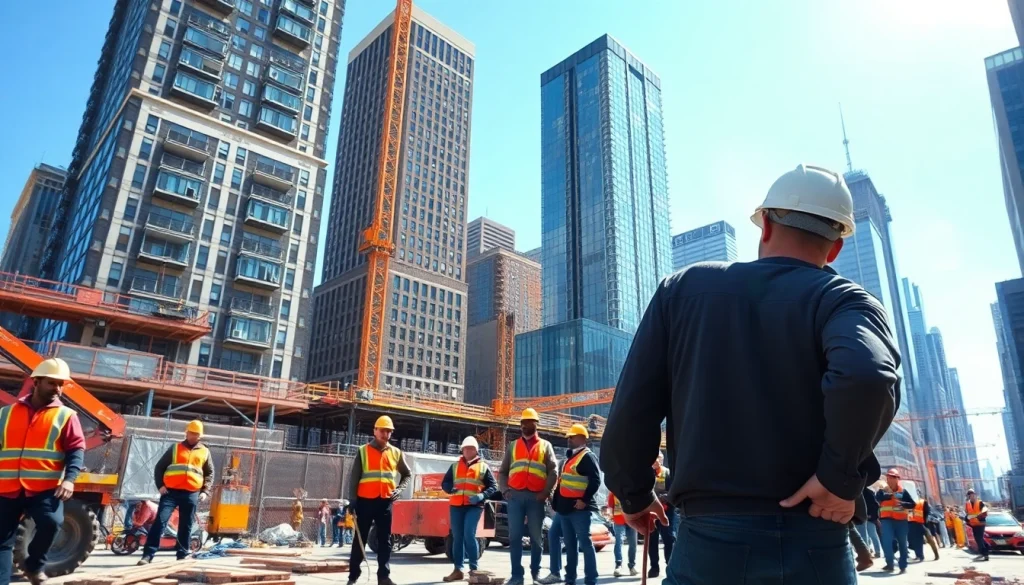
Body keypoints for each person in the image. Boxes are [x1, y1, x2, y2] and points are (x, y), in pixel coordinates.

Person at [600, 164, 900, 585]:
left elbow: (633, 408)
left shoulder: (682, 290)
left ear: (765, 226)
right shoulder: (845, 300)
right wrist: (837, 477)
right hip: (816, 532)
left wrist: (633, 494)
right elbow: (868, 376)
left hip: (711, 537)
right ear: (834, 249)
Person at [0, 358, 85, 585]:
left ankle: (34, 565)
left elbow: (76, 449)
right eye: (52, 383)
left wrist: (69, 479)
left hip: (44, 488)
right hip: (7, 488)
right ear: (35, 381)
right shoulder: (6, 414)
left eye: (61, 384)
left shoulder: (67, 415)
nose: (58, 388)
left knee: (51, 523)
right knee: (1, 541)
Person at [347, 416, 411, 585]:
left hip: (385, 502)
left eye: (389, 431)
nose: (386, 434)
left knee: (385, 540)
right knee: (359, 541)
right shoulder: (363, 451)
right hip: (365, 501)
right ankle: (353, 576)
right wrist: (352, 500)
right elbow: (354, 477)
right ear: (375, 431)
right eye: (383, 430)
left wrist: (399, 489)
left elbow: (407, 474)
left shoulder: (396, 453)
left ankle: (383, 576)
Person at [138, 419, 213, 564]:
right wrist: (160, 485)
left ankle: (182, 555)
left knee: (186, 525)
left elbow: (209, 473)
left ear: (200, 436)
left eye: (196, 434)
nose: (193, 436)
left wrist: (205, 491)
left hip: (191, 493)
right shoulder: (175, 448)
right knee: (160, 521)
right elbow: (159, 467)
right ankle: (148, 555)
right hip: (170, 493)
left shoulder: (205, 451)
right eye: (191, 433)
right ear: (186, 433)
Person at [499, 409, 557, 585]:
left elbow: (553, 471)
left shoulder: (545, 446)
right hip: (515, 497)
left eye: (529, 423)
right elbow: (503, 472)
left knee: (536, 538)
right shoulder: (513, 446)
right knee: (514, 537)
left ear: (535, 424)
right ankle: (517, 575)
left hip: (536, 498)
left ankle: (535, 573)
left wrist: (546, 492)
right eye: (523, 423)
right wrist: (505, 491)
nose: (525, 426)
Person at [441, 436, 497, 582]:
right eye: (466, 448)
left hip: (474, 506)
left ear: (476, 451)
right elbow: (445, 483)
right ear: (462, 450)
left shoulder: (483, 467)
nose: (468, 451)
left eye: (471, 448)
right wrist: (449, 489)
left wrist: (481, 496)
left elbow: (494, 487)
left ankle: (474, 569)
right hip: (456, 505)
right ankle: (458, 570)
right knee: (457, 537)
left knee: (468, 534)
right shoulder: (454, 466)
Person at [551, 425, 600, 585]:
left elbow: (595, 481)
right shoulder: (570, 458)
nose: (569, 439)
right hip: (565, 509)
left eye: (572, 437)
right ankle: (570, 579)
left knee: (585, 543)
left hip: (579, 510)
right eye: (569, 437)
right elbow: (563, 483)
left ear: (582, 438)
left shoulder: (587, 457)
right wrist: (556, 504)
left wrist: (584, 500)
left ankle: (591, 579)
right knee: (571, 546)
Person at [876, 468, 915, 573]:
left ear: (897, 479)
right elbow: (878, 498)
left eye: (892, 477)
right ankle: (890, 564)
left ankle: (903, 565)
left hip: (901, 521)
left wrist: (903, 504)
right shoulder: (882, 491)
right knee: (887, 542)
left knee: (902, 543)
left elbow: (912, 504)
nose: (889, 480)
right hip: (886, 520)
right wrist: (890, 496)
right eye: (888, 478)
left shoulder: (903, 492)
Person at [646, 453, 676, 578]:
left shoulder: (668, 473)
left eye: (658, 458)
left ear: (662, 460)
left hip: (666, 511)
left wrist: (665, 497)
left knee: (668, 539)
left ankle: (670, 565)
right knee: (652, 540)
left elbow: (674, 491)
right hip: (651, 513)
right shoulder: (646, 475)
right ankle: (654, 567)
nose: (655, 460)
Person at [607, 493, 637, 577]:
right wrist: (610, 516)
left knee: (633, 544)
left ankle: (632, 566)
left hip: (632, 519)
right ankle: (618, 565)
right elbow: (610, 505)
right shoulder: (613, 490)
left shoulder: (634, 488)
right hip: (619, 520)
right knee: (619, 542)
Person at [856, 486, 882, 558]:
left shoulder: (865, 492)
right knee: (869, 535)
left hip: (867, 517)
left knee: (868, 535)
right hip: (864, 517)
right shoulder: (865, 492)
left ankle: (872, 552)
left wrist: (871, 515)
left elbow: (875, 505)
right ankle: (872, 551)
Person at [964, 488, 989, 561]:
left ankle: (985, 554)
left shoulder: (980, 503)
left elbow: (985, 510)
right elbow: (968, 514)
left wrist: (979, 515)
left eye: (972, 494)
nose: (971, 496)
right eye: (970, 495)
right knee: (978, 539)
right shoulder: (967, 504)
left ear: (975, 495)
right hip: (973, 524)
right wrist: (967, 519)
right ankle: (986, 549)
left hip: (980, 523)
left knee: (979, 538)